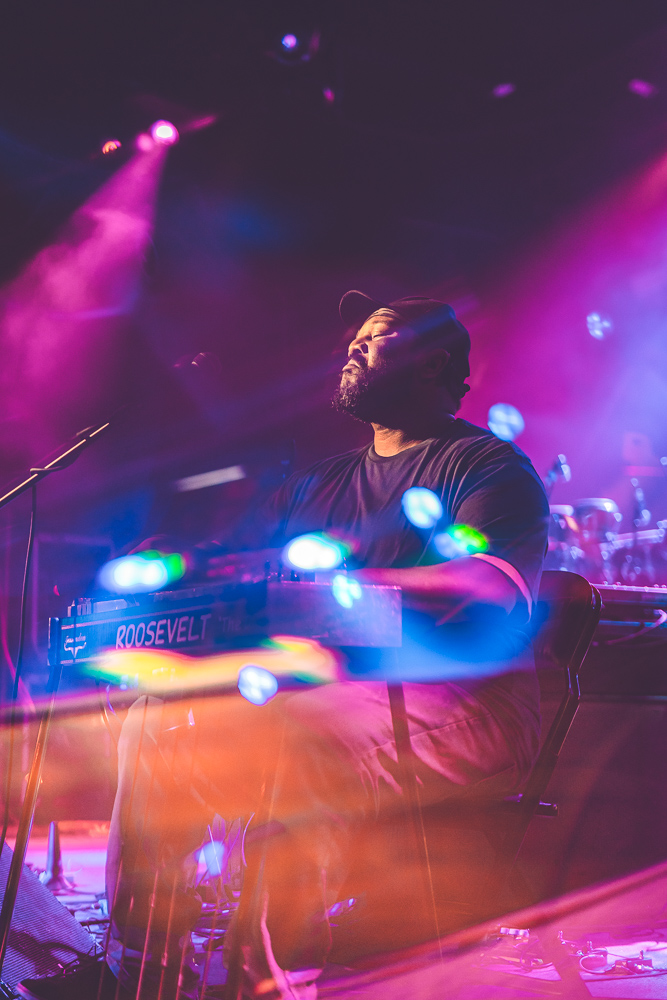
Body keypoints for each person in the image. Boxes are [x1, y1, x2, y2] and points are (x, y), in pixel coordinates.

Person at [18, 291, 548, 1000]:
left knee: (288, 737)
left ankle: (265, 981)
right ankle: (138, 970)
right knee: (156, 721)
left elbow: (491, 584)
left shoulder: (485, 466)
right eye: (354, 338)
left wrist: (353, 581)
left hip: (467, 702)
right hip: (326, 692)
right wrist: (165, 583)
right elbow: (241, 577)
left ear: (436, 364)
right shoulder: (315, 485)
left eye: (378, 336)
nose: (354, 348)